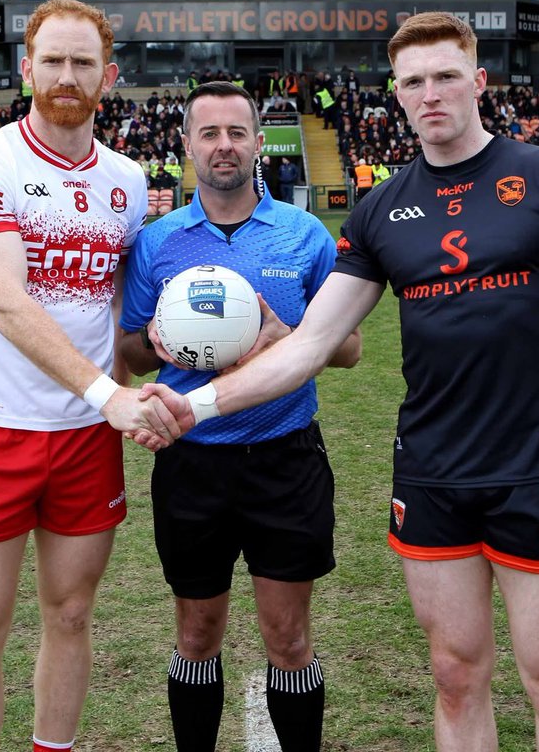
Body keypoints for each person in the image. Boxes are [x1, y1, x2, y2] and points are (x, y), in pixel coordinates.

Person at [135, 12, 539, 752]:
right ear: (398, 96)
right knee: (453, 674)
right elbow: (313, 343)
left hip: (535, 472)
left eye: (446, 76)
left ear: (477, 81)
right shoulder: (379, 209)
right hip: (433, 475)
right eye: (414, 82)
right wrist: (194, 407)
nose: (431, 93)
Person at [0, 0, 183, 752]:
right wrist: (108, 393)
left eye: (83, 62)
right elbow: (7, 302)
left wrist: (166, 366)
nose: (67, 75)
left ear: (108, 76)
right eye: (53, 60)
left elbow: (121, 315)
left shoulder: (127, 182)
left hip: (86, 436)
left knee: (72, 616)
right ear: (27, 68)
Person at [117, 81, 361, 752]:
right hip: (192, 461)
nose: (224, 146)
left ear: (258, 141)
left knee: (289, 638)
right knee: (196, 633)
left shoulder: (304, 235)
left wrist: (289, 336)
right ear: (188, 146)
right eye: (209, 134)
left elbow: (349, 349)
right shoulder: (158, 243)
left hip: (285, 457)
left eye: (236, 133)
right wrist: (155, 343)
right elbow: (131, 353)